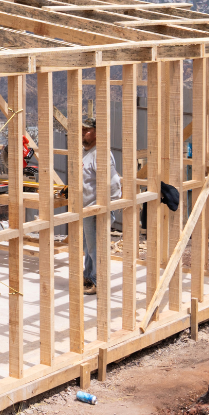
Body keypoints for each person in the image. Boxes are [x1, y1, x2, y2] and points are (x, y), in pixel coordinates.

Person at [81, 119, 121, 296]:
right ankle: (88, 277)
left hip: (97, 209)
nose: (83, 133)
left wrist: (107, 208)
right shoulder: (84, 153)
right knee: (88, 248)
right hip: (85, 210)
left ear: (96, 132)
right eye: (81, 130)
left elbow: (113, 183)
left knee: (96, 247)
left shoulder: (101, 154)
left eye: (86, 130)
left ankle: (98, 281)